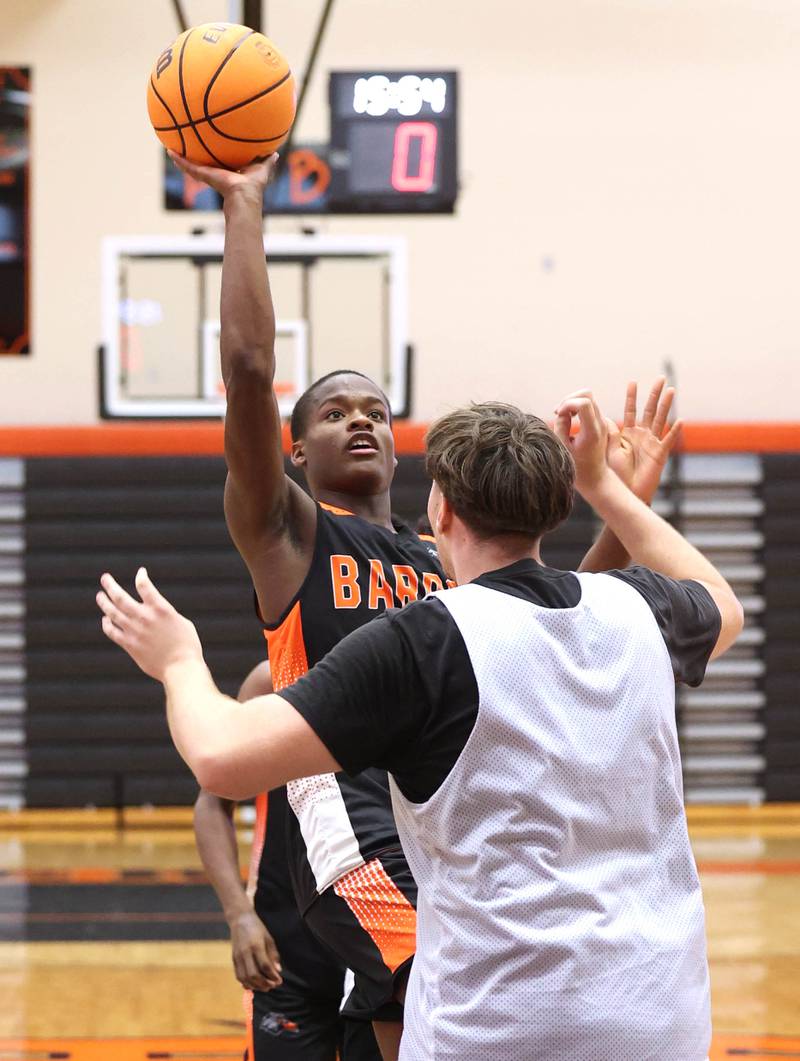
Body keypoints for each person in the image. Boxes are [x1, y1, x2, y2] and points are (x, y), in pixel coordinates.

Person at [97, 391, 742, 1060]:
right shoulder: (640, 608)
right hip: (661, 1016)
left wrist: (179, 662)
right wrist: (606, 486)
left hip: (500, 1023)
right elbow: (724, 600)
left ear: (443, 509)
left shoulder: (427, 637)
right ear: (555, 504)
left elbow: (220, 756)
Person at [167, 148, 450, 1060]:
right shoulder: (294, 539)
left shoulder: (441, 559)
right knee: (466, 978)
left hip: (442, 842)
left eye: (374, 409)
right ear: (293, 454)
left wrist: (614, 500)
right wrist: (245, 209)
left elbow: (556, 608)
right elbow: (250, 371)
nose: (359, 418)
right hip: (349, 854)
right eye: (333, 413)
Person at [194, 661, 381, 1061]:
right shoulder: (271, 680)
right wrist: (239, 915)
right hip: (288, 950)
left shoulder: (402, 664)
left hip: (381, 943)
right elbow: (212, 806)